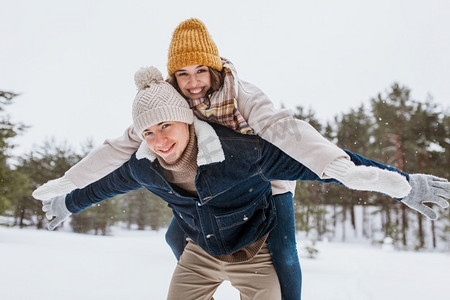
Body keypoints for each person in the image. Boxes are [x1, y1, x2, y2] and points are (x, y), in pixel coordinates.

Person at [31, 18, 446, 299]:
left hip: (263, 174)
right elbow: (118, 157)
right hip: (207, 189)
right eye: (183, 74)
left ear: (214, 68)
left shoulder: (243, 94)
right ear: (172, 78)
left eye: (200, 72)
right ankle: (214, 266)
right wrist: (70, 191)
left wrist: (376, 177)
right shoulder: (167, 104)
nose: (192, 83)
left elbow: (290, 135)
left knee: (283, 254)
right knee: (176, 237)